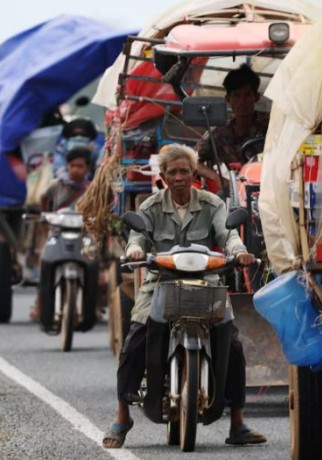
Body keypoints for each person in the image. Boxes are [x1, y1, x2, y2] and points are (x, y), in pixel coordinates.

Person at [102, 144, 266, 449]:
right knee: (135, 340)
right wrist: (135, 250)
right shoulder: (150, 206)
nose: (179, 177)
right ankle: (122, 415)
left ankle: (238, 422)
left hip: (207, 284)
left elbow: (227, 233)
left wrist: (239, 251)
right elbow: (137, 236)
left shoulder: (212, 203)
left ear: (194, 174)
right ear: (163, 176)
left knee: (232, 343)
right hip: (160, 284)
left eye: (185, 171)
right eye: (173, 172)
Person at [29, 147, 93, 321]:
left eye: (80, 166)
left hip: (81, 233)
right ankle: (40, 303)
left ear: (87, 168)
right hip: (58, 232)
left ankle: (92, 307)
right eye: (72, 165)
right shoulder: (57, 184)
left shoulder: (90, 188)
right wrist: (46, 218)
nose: (75, 170)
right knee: (46, 263)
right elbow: (44, 198)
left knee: (93, 264)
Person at [195, 64, 270, 191]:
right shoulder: (219, 131)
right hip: (234, 192)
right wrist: (216, 178)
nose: (242, 101)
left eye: (247, 95)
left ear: (256, 97)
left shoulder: (269, 123)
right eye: (237, 96)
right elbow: (193, 160)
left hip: (267, 186)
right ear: (228, 99)